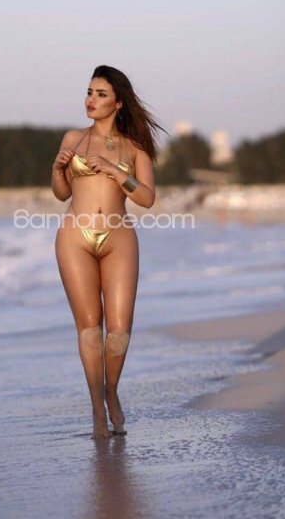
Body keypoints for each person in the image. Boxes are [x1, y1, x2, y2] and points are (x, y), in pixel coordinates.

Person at [51, 65, 167, 439]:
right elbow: (62, 193)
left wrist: (116, 171)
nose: (91, 99)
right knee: (89, 327)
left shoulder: (135, 146)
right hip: (75, 238)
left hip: (119, 239)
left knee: (119, 330)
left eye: (101, 94)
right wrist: (57, 170)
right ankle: (96, 410)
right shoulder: (73, 138)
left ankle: (111, 390)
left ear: (118, 103)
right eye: (89, 92)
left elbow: (147, 198)